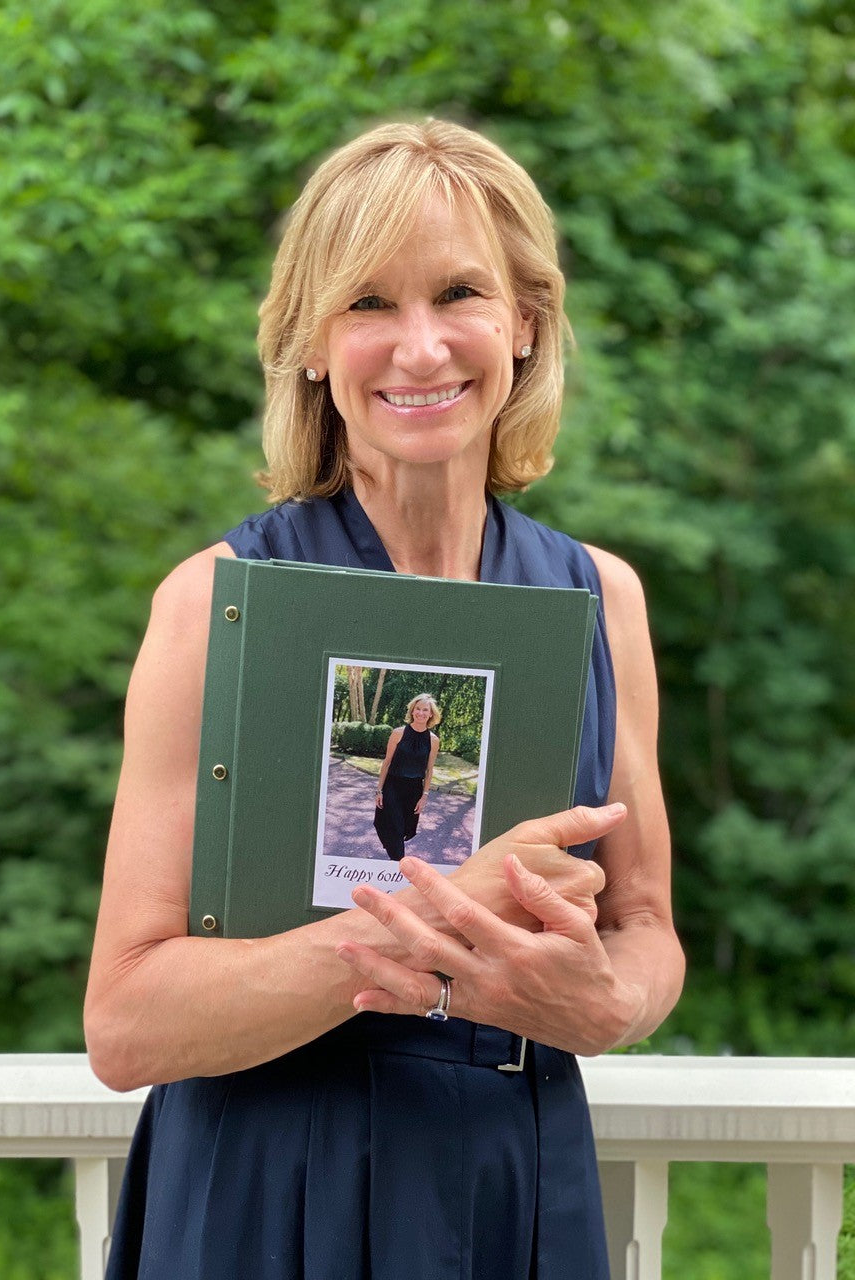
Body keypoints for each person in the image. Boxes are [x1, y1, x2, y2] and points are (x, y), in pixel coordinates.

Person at [85, 118, 685, 1279]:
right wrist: (429, 928)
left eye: (458, 291)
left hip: (512, 1171)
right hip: (265, 1184)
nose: (419, 348)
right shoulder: (213, 604)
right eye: (367, 303)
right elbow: (125, 1023)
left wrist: (609, 1005)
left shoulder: (602, 599)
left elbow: (645, 926)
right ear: (311, 343)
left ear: (524, 323)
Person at [374, 693, 441, 860]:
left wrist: (425, 796)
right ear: (412, 711)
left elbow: (429, 770)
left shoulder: (433, 740)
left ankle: (395, 859)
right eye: (417, 709)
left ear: (431, 714)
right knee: (393, 826)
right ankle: (399, 865)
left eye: (425, 710)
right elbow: (387, 762)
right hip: (392, 786)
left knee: (402, 829)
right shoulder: (398, 733)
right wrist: (379, 790)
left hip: (414, 790)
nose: (421, 713)